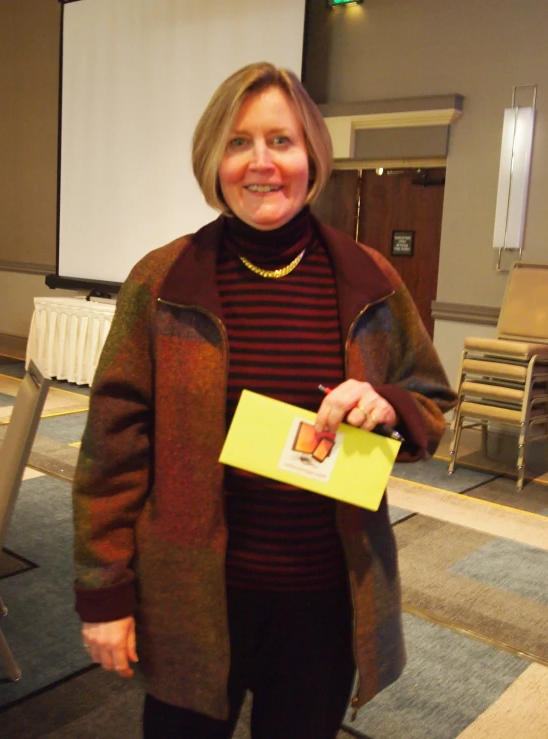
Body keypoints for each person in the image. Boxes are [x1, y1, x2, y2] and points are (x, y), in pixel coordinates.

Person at [73, 61, 457, 739]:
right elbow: (112, 449)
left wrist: (389, 405)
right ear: (212, 160)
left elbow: (430, 400)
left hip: (325, 599)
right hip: (191, 598)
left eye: (281, 140)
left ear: (312, 153)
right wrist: (104, 593)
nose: (261, 162)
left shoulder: (369, 278)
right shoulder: (162, 281)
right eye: (238, 142)